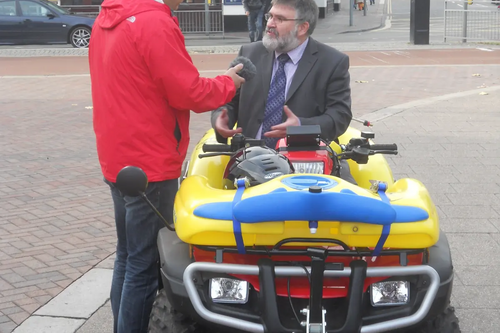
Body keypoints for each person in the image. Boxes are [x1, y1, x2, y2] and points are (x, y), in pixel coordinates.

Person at [88, 0, 245, 331]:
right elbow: (187, 92)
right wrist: (228, 83)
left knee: (127, 257)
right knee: (144, 265)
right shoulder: (153, 23)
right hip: (151, 162)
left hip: (119, 157)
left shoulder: (107, 19)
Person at [211, 0, 353, 180]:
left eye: (279, 19)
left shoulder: (332, 62)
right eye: (270, 16)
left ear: (302, 27)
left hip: (304, 165)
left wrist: (301, 127)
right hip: (249, 163)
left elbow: (339, 116)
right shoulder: (249, 53)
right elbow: (229, 100)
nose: (270, 23)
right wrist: (221, 118)